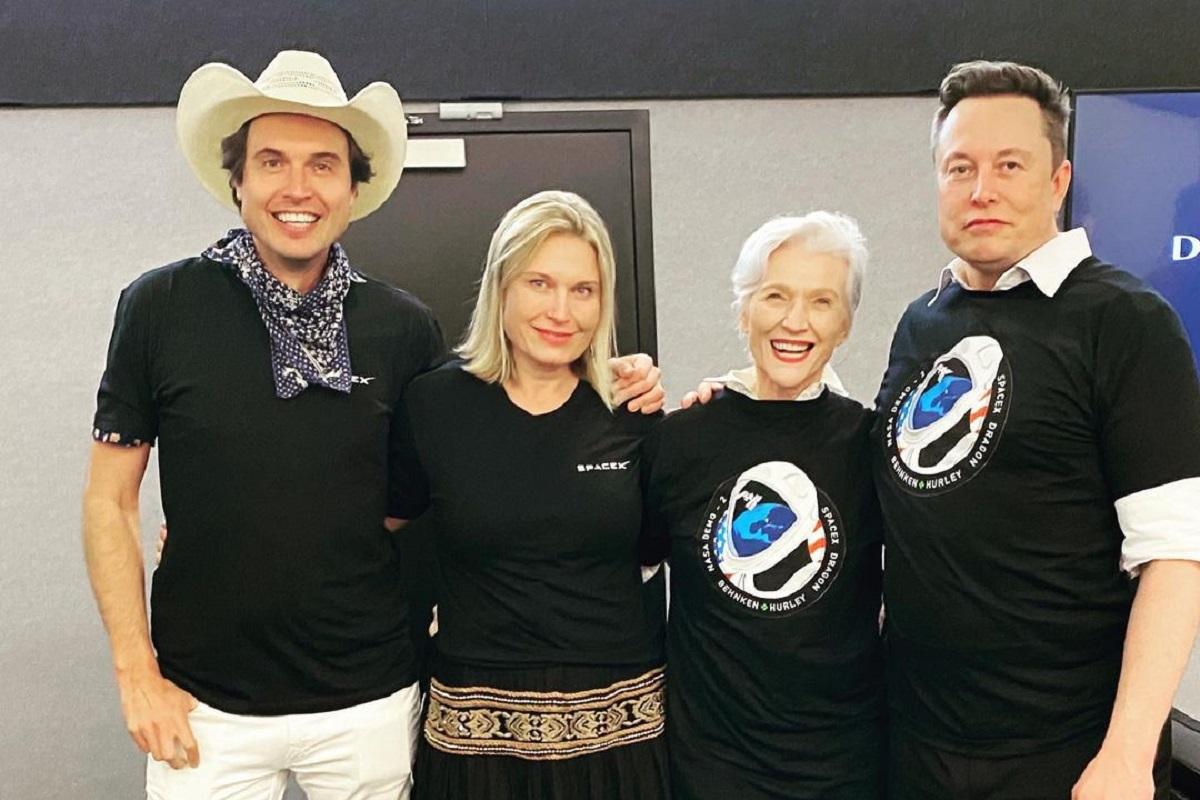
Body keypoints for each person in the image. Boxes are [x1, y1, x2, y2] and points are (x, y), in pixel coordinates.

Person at [82, 51, 663, 800]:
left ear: (353, 189)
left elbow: (441, 480)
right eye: (272, 161)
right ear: (238, 180)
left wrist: (609, 379)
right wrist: (136, 674)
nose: (298, 188)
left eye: (323, 165)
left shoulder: (402, 328)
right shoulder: (160, 307)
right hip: (205, 708)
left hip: (369, 705)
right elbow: (109, 501)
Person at [872, 60, 1200, 800]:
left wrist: (1126, 758)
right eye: (960, 167)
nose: (981, 189)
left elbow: (1177, 556)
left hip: (1066, 756)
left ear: (1058, 182)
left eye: (1009, 165)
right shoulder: (923, 321)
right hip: (918, 745)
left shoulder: (1126, 322)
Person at [389, 190, 669, 799]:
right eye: (539, 283)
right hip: (474, 737)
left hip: (618, 734)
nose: (560, 310)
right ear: (502, 286)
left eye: (583, 289)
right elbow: (374, 531)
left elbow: (664, 548)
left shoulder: (632, 410)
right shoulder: (434, 405)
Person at [642, 212, 884, 799]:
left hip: (845, 767)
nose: (795, 321)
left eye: (822, 301)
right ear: (743, 310)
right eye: (776, 295)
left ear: (846, 325)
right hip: (712, 767)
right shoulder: (679, 441)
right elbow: (627, 571)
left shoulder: (870, 446)